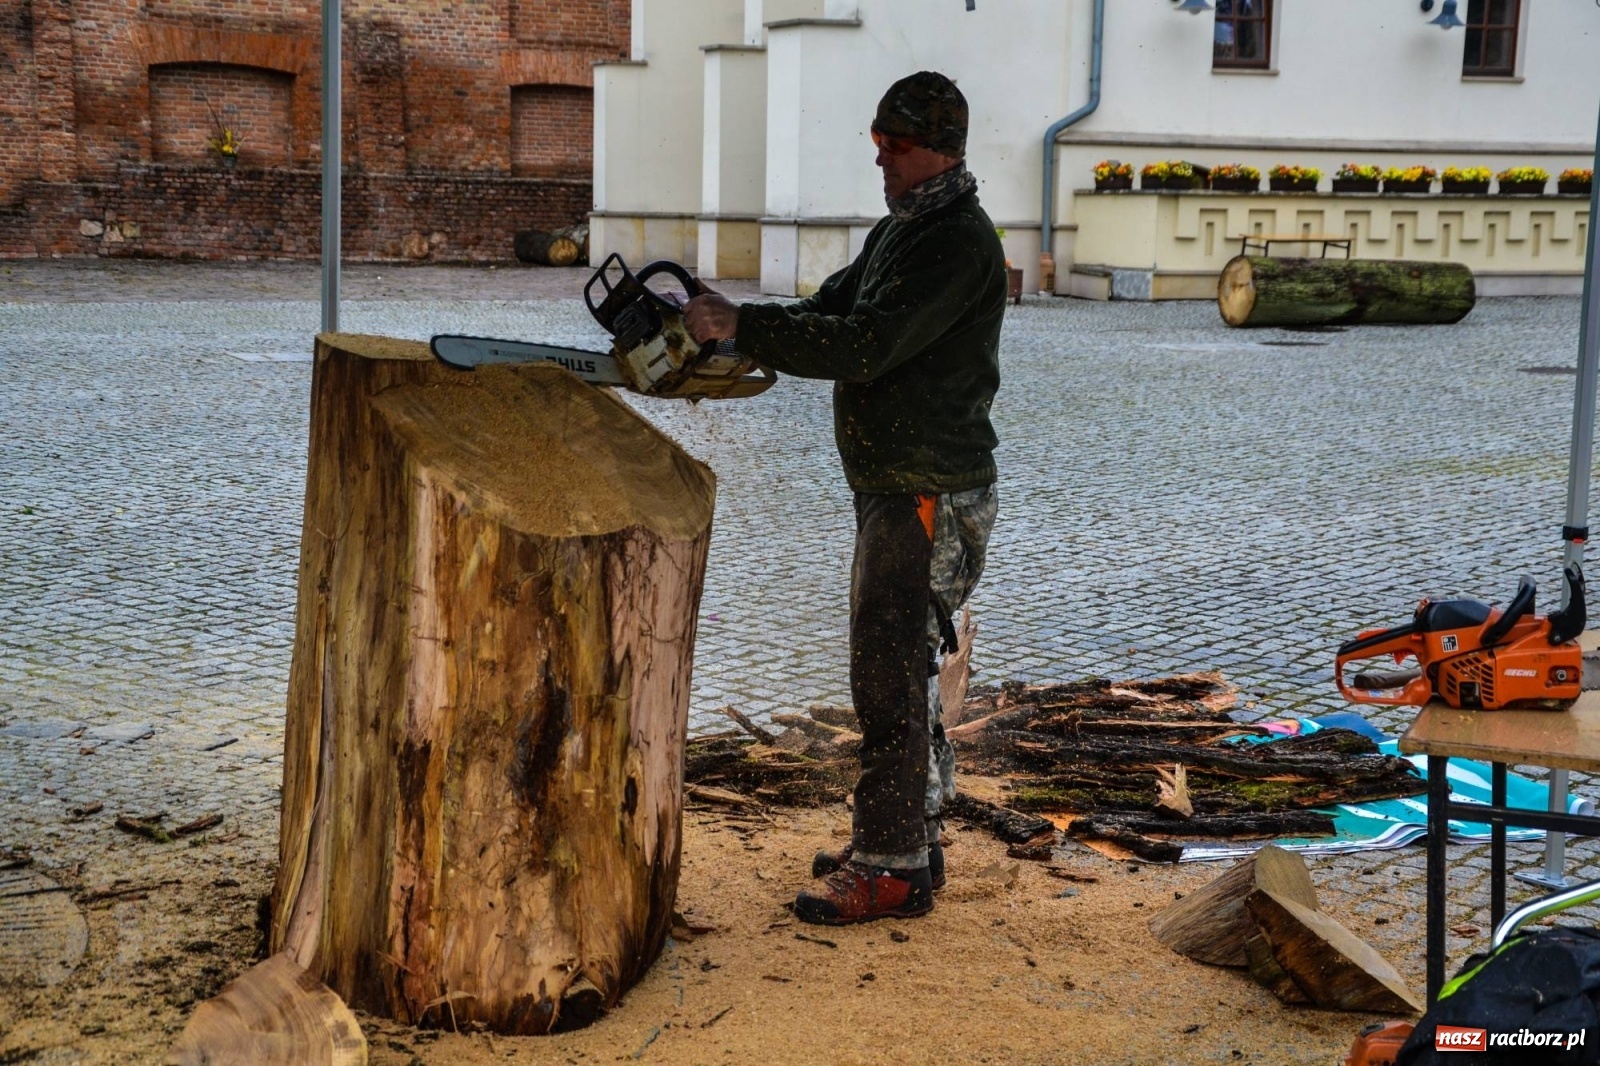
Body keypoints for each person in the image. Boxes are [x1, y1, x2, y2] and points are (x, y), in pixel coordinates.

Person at [684, 70, 1005, 926]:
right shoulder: (903, 230)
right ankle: (910, 840)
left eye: (895, 147)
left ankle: (890, 866)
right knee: (899, 666)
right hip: (896, 483)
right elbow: (832, 309)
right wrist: (742, 327)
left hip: (926, 486)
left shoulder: (955, 241)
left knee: (889, 672)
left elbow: (866, 345)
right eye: (878, 145)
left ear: (940, 148)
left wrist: (745, 328)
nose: (882, 161)